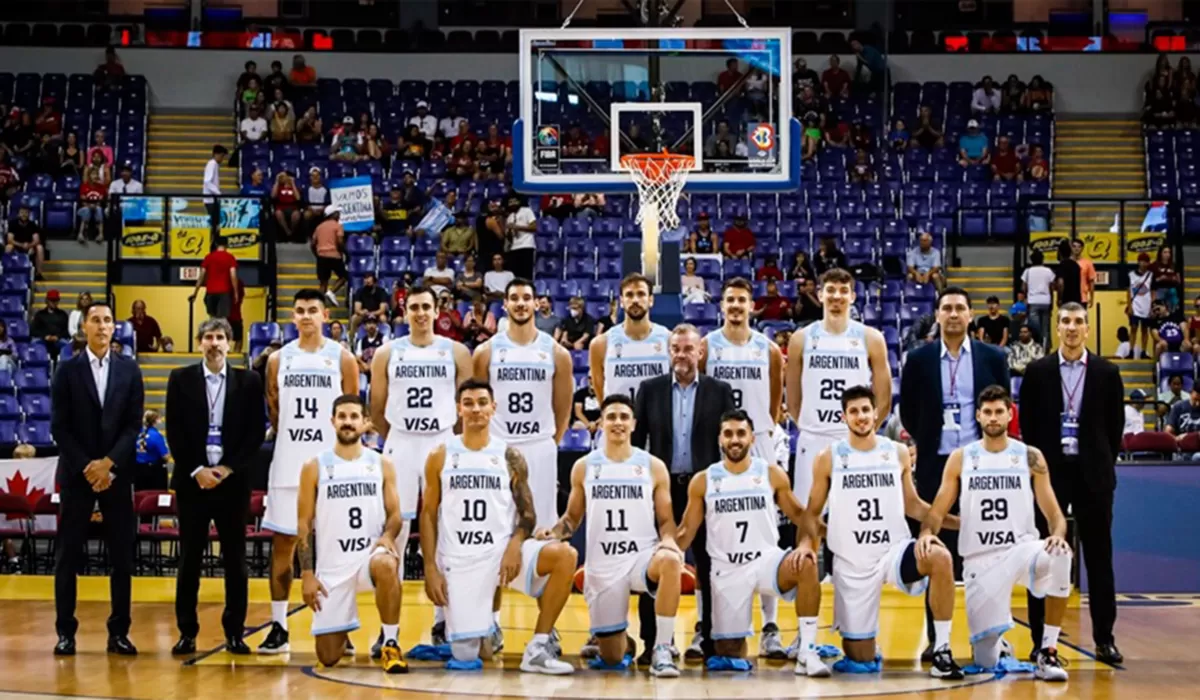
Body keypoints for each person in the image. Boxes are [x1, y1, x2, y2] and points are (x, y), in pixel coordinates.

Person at [801, 385, 963, 678]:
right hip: (852, 562)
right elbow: (811, 514)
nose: (861, 416)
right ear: (844, 417)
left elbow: (912, 505)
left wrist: (957, 522)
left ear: (876, 413)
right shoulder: (829, 457)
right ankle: (861, 642)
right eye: (854, 411)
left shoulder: (896, 452)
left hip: (893, 550)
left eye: (865, 410)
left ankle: (942, 649)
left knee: (940, 557)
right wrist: (815, 540)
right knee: (860, 661)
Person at [421, 379, 578, 675]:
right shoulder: (440, 455)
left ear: (494, 408)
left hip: (501, 554)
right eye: (468, 403)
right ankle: (476, 630)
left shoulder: (510, 456)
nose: (475, 409)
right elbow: (428, 515)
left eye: (482, 402)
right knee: (469, 656)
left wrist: (515, 544)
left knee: (565, 556)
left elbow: (528, 515)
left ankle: (538, 646)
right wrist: (430, 566)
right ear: (458, 409)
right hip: (460, 560)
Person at [922, 384, 1073, 681]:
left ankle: (1048, 651)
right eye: (987, 412)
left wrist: (1057, 534)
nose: (993, 418)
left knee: (1060, 554)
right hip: (980, 560)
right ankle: (997, 642)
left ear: (1009, 414)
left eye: (999, 412)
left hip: (1021, 550)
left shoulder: (1030, 457)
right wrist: (928, 532)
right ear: (978, 416)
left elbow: (1055, 513)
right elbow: (937, 511)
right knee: (987, 661)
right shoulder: (962, 458)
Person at [538, 394, 683, 676]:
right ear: (601, 423)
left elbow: (666, 520)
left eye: (624, 417)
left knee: (671, 561)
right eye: (612, 417)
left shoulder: (653, 466)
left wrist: (668, 540)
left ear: (633, 424)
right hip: (603, 565)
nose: (618, 422)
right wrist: (553, 533)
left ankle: (662, 648)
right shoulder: (585, 466)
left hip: (641, 558)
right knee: (613, 659)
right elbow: (572, 518)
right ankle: (622, 642)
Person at [899, 286, 1009, 658]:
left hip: (979, 465)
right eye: (946, 308)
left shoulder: (994, 357)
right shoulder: (919, 359)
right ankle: (937, 639)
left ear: (970, 314)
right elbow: (910, 413)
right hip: (934, 466)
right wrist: (928, 442)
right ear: (938, 314)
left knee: (987, 553)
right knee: (937, 554)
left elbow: (1002, 405)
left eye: (960, 308)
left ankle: (992, 635)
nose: (953, 314)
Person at [674, 409, 823, 675]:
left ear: (752, 438)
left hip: (765, 561)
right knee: (728, 652)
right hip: (727, 570)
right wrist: (667, 551)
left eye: (741, 433)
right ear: (719, 439)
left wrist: (805, 545)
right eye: (728, 434)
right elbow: (686, 531)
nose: (735, 440)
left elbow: (801, 516)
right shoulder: (704, 481)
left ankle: (807, 650)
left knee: (807, 565)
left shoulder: (771, 474)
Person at [1018, 302, 1125, 665]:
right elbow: (1029, 427)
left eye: (1079, 321)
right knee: (1041, 555)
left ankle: (1104, 638)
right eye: (1065, 321)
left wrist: (1098, 463)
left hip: (1093, 476)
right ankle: (1038, 639)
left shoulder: (1107, 372)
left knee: (1098, 558)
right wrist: (1040, 470)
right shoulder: (1038, 371)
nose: (1072, 327)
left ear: (1087, 328)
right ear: (1057, 326)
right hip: (1050, 475)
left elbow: (1115, 428)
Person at [368, 285, 472, 650]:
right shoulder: (387, 353)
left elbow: (467, 405)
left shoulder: (456, 351)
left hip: (441, 440)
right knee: (394, 531)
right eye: (414, 307)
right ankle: (388, 629)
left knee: (445, 530)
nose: (421, 313)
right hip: (401, 440)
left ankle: (444, 621)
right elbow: (376, 407)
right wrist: (397, 435)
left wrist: (448, 439)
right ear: (404, 311)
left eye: (426, 306)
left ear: (436, 309)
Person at [472, 278, 573, 648]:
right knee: (497, 535)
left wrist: (546, 442)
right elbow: (478, 401)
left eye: (526, 298)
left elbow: (562, 409)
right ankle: (491, 621)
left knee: (544, 535)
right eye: (513, 298)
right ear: (505, 305)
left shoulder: (555, 353)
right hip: (498, 450)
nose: (520, 303)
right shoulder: (487, 352)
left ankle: (547, 628)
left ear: (537, 303)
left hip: (539, 448)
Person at [259, 290, 359, 654]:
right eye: (299, 311)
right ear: (292, 315)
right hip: (289, 464)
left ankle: (339, 626)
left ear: (324, 314)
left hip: (332, 467)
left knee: (334, 550)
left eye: (312, 311)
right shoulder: (278, 360)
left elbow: (352, 411)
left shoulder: (342, 357)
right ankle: (278, 625)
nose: (305, 316)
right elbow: (275, 410)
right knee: (283, 545)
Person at [632, 323, 736, 660]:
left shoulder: (720, 390)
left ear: (700, 352)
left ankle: (707, 639)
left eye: (688, 349)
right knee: (658, 561)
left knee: (709, 565)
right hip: (662, 490)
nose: (682, 355)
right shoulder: (649, 390)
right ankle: (654, 642)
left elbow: (729, 443)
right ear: (669, 351)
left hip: (703, 491)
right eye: (676, 348)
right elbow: (637, 444)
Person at [50, 299, 145, 656]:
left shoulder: (130, 370)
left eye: (108, 320)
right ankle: (65, 632)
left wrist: (108, 464)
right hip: (77, 476)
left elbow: (133, 424)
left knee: (122, 558)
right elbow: (59, 426)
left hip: (116, 475)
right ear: (84, 327)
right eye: (96, 320)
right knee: (67, 557)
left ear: (114, 327)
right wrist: (89, 467)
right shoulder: (67, 369)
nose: (103, 326)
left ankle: (119, 632)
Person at [166, 318, 265, 656]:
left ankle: (235, 632)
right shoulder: (180, 379)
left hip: (232, 482)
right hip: (193, 482)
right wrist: (197, 470)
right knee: (189, 559)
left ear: (230, 344)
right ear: (199, 342)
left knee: (235, 559)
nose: (214, 343)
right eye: (208, 337)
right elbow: (174, 431)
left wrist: (225, 468)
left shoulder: (248, 380)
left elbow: (254, 434)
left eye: (220, 337)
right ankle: (186, 632)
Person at [295, 395, 407, 673]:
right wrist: (307, 574)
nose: (348, 422)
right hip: (333, 568)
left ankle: (390, 642)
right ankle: (341, 630)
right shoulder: (314, 466)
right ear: (332, 421)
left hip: (368, 559)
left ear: (365, 422)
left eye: (354, 416)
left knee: (386, 563)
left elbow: (395, 514)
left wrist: (388, 536)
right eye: (342, 416)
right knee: (328, 658)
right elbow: (304, 523)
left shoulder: (381, 463)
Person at [786, 268, 891, 506]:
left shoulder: (870, 338)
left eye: (844, 291)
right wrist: (808, 425)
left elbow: (883, 397)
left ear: (853, 296)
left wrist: (865, 431)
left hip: (853, 436)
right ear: (820, 294)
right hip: (814, 436)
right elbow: (792, 397)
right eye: (831, 290)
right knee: (808, 515)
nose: (837, 296)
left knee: (854, 513)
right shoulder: (801, 338)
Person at [590, 273, 670, 404]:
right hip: (620, 421)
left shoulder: (668, 339)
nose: (635, 300)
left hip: (657, 422)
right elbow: (601, 395)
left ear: (651, 300)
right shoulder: (601, 344)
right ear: (621, 302)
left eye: (641, 294)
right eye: (629, 295)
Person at [188, 236, 239, 319]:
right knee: (222, 320)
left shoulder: (208, 257)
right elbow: (233, 275)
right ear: (227, 245)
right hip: (224, 292)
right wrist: (236, 293)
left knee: (212, 319)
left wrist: (195, 293)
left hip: (211, 292)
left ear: (216, 244)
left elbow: (201, 276)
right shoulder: (230, 258)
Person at [312, 205, 348, 307]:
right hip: (334, 255)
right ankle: (331, 292)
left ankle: (318, 305)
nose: (339, 215)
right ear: (334, 214)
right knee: (344, 276)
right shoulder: (337, 226)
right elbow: (340, 242)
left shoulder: (319, 227)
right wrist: (345, 252)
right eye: (338, 213)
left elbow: (313, 243)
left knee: (323, 282)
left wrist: (317, 254)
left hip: (321, 256)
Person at [1021, 251, 1056, 347]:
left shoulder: (1027, 271)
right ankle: (1045, 347)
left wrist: (1026, 297)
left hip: (1033, 301)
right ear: (1042, 259)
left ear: (1031, 260)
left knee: (1035, 328)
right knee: (1046, 328)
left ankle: (1037, 347)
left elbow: (1023, 287)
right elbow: (1052, 287)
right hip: (1046, 301)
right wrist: (1052, 302)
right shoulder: (1049, 271)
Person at [6, 204, 46, 279]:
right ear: (18, 214)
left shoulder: (33, 225)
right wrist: (21, 245)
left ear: (29, 214)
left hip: (30, 247)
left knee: (40, 248)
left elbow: (36, 240)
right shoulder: (12, 224)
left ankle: (39, 273)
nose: (24, 214)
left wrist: (30, 246)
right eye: (22, 212)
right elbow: (10, 239)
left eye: (26, 212)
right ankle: (7, 271)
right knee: (8, 247)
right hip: (17, 246)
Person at [134, 409, 170, 491]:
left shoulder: (138, 433)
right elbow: (165, 456)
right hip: (153, 471)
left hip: (138, 469)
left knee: (140, 496)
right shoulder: (156, 435)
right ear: (155, 420)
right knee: (156, 496)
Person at [504, 195, 537, 280]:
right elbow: (509, 238)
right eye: (510, 202)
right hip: (514, 248)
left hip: (526, 245)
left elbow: (534, 227)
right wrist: (508, 232)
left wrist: (517, 227)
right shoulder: (509, 217)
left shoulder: (527, 211)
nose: (512, 204)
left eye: (514, 201)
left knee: (526, 274)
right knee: (515, 275)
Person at [1127, 252, 1154, 358]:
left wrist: (1152, 306)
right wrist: (1129, 306)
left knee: (1145, 330)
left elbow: (1152, 291)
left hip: (1146, 306)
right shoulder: (1131, 275)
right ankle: (1131, 350)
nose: (1143, 264)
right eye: (1141, 261)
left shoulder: (1151, 275)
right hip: (1135, 305)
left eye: (1146, 262)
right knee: (1133, 328)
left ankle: (1143, 351)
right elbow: (1128, 291)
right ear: (1138, 262)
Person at [350, 272, 390, 338]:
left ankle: (384, 337)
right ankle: (352, 339)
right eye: (366, 279)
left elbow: (382, 310)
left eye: (369, 280)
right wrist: (362, 312)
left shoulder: (381, 292)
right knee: (354, 318)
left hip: (377, 314)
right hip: (364, 314)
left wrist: (372, 313)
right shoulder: (360, 291)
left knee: (383, 318)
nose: (367, 281)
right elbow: (357, 309)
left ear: (375, 282)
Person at [203, 145, 228, 237]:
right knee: (214, 224)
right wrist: (218, 193)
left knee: (215, 223)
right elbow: (207, 181)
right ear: (216, 154)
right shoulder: (212, 164)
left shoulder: (214, 165)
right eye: (222, 156)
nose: (222, 159)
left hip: (213, 199)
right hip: (211, 200)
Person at [1054, 239, 1082, 307]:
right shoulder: (1076, 265)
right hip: (1077, 301)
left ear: (1060, 252)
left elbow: (1060, 283)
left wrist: (1059, 299)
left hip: (1066, 301)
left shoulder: (1062, 265)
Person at [1071, 239, 1097, 306]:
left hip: (1082, 298)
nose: (1076, 249)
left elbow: (1091, 282)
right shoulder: (1067, 263)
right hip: (1069, 298)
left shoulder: (1088, 263)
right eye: (1074, 246)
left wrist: (1092, 298)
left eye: (1079, 247)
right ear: (1071, 248)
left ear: (1082, 248)